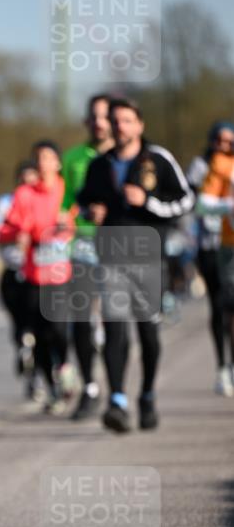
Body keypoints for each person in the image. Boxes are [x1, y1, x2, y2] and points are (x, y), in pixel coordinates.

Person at [77, 98, 194, 433]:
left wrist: (149, 202)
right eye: (115, 121)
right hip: (111, 257)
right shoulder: (100, 165)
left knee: (148, 334)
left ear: (140, 125)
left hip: (148, 258)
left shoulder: (157, 159)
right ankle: (117, 400)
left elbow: (186, 200)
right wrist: (91, 213)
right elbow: (84, 202)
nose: (120, 126)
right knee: (115, 330)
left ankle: (147, 395)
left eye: (127, 120)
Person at [0, 141, 76, 413]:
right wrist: (17, 233)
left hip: (61, 272)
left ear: (58, 163)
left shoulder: (66, 191)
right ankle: (52, 389)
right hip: (34, 274)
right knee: (40, 334)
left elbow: (81, 220)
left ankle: (64, 366)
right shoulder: (24, 194)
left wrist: (68, 226)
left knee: (59, 329)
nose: (43, 163)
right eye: (38, 158)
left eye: (48, 157)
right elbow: (6, 229)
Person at [60, 94, 114, 420]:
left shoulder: (126, 157)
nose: (99, 123)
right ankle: (90, 387)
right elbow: (64, 202)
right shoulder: (73, 158)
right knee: (80, 316)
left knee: (115, 318)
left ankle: (118, 391)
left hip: (118, 245)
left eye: (105, 116)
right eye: (94, 117)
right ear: (86, 122)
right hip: (82, 245)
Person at [0, 160, 39, 399]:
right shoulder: (5, 203)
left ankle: (47, 370)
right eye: (23, 180)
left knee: (43, 328)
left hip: (41, 273)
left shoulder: (46, 201)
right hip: (14, 271)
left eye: (32, 180)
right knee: (20, 325)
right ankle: (30, 370)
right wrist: (11, 235)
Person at [187, 121, 234, 395]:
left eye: (229, 141)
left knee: (232, 306)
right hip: (209, 246)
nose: (223, 146)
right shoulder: (200, 166)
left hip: (230, 244)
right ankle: (222, 365)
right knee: (218, 305)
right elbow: (195, 203)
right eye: (219, 140)